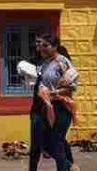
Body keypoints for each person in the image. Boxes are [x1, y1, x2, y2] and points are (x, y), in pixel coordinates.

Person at [29, 33, 79, 171]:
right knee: (47, 143)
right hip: (48, 108)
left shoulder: (62, 63)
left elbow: (72, 86)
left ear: (55, 46)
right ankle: (70, 166)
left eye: (46, 45)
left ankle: (67, 167)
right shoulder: (45, 63)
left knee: (56, 143)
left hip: (62, 107)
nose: (42, 48)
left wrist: (54, 93)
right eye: (41, 45)